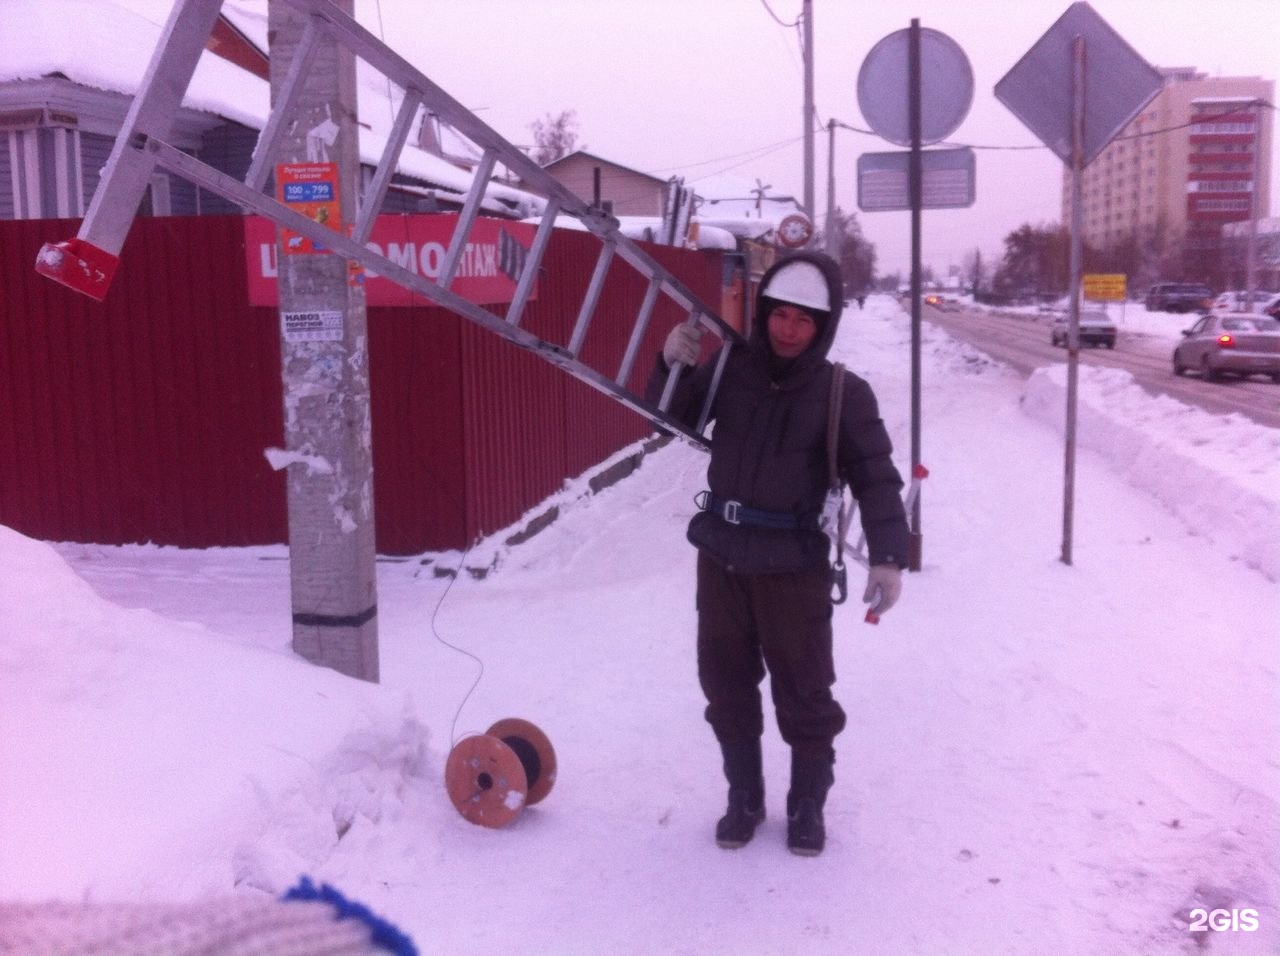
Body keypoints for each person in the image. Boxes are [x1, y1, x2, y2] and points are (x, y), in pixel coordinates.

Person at [647, 250, 909, 857]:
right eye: (781, 315)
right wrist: (670, 366)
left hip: (793, 567)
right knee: (726, 684)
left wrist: (890, 556)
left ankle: (806, 804)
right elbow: (669, 419)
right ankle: (745, 796)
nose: (789, 330)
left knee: (805, 691)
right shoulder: (731, 368)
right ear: (765, 313)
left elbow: (876, 477)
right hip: (721, 556)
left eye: (805, 320)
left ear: (824, 326)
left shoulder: (845, 392)